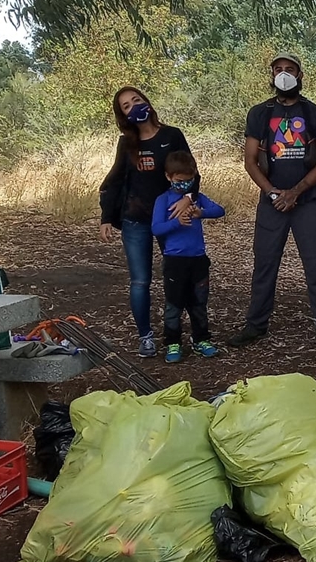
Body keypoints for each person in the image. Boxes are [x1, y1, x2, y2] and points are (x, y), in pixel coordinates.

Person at [230, 52, 316, 348]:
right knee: (265, 264)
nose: (283, 74)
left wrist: (295, 192)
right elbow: (251, 161)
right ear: (271, 75)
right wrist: (273, 193)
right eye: (278, 69)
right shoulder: (259, 113)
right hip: (272, 203)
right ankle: (255, 325)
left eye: (289, 69)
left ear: (300, 75)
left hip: (309, 202)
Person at [99, 86, 199, 358]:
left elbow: (191, 171)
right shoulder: (126, 143)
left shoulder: (171, 135)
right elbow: (115, 179)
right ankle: (145, 337)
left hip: (171, 217)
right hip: (136, 219)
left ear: (147, 102)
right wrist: (107, 217)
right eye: (127, 106)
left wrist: (188, 199)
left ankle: (186, 333)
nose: (134, 107)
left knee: (179, 274)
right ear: (123, 115)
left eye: (136, 100)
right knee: (140, 281)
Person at [150, 151, 225, 364]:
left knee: (199, 302)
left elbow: (220, 210)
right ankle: (173, 342)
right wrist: (176, 223)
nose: (184, 185)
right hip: (175, 261)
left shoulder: (197, 198)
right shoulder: (163, 200)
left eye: (189, 180)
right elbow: (156, 228)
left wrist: (201, 213)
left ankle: (201, 339)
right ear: (168, 177)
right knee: (174, 303)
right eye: (179, 181)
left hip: (198, 259)